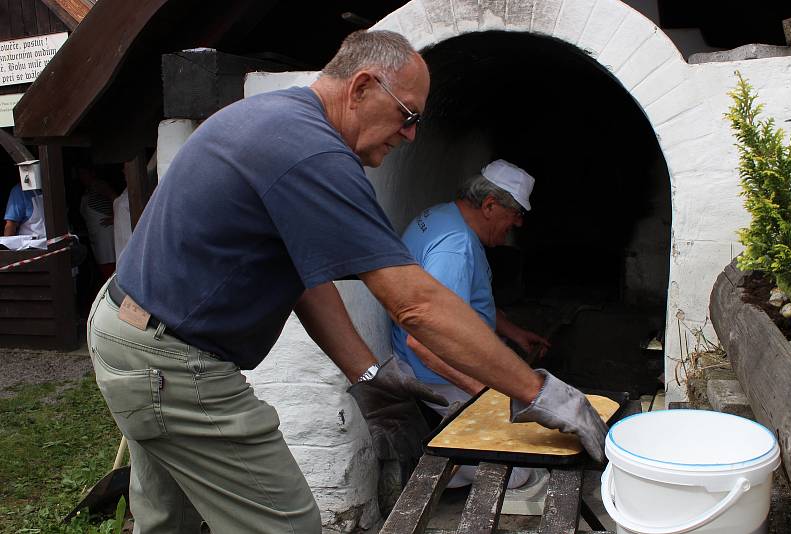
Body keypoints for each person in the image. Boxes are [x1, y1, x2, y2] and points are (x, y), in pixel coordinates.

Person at [88, 30, 606, 533]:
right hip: (173, 362)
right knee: (286, 523)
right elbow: (415, 306)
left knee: (167, 521)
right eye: (407, 117)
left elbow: (305, 281)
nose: (411, 136)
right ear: (360, 88)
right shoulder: (314, 153)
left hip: (133, 335)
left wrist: (368, 371)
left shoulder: (285, 125)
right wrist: (541, 393)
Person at [391, 159, 551, 490]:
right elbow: (422, 341)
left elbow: (462, 307)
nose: (518, 224)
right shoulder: (455, 248)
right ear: (490, 205)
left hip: (437, 360)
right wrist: (481, 393)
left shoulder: (442, 215)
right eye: (516, 214)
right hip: (433, 374)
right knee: (519, 470)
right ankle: (434, 467)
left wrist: (512, 332)